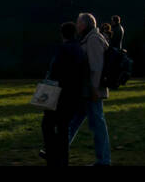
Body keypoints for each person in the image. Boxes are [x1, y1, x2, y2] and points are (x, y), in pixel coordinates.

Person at [67, 12, 112, 166]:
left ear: (85, 24)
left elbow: (96, 67)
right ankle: (58, 151)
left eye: (78, 22)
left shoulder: (92, 40)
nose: (77, 25)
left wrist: (94, 89)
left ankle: (104, 160)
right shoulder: (91, 38)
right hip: (86, 91)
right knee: (73, 122)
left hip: (91, 91)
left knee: (96, 125)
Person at [41, 20, 87, 168]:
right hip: (73, 96)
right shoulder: (80, 50)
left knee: (47, 125)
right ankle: (63, 161)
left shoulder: (62, 49)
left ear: (62, 34)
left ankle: (52, 158)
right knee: (63, 128)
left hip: (58, 95)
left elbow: (54, 71)